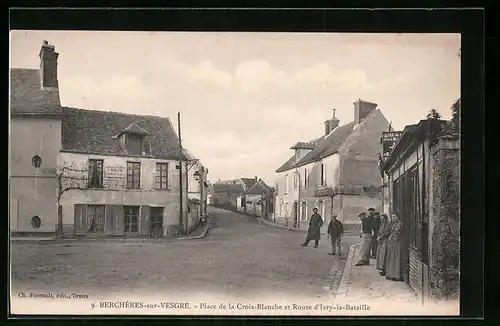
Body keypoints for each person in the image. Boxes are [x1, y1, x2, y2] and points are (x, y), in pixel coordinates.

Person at [385, 213, 404, 281]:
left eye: (394, 217)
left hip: (397, 242)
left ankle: (396, 275)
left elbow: (396, 233)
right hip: (393, 243)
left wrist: (391, 237)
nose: (393, 218)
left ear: (398, 217)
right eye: (392, 217)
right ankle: (391, 274)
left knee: (396, 258)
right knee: (391, 257)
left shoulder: (399, 224)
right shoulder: (393, 224)